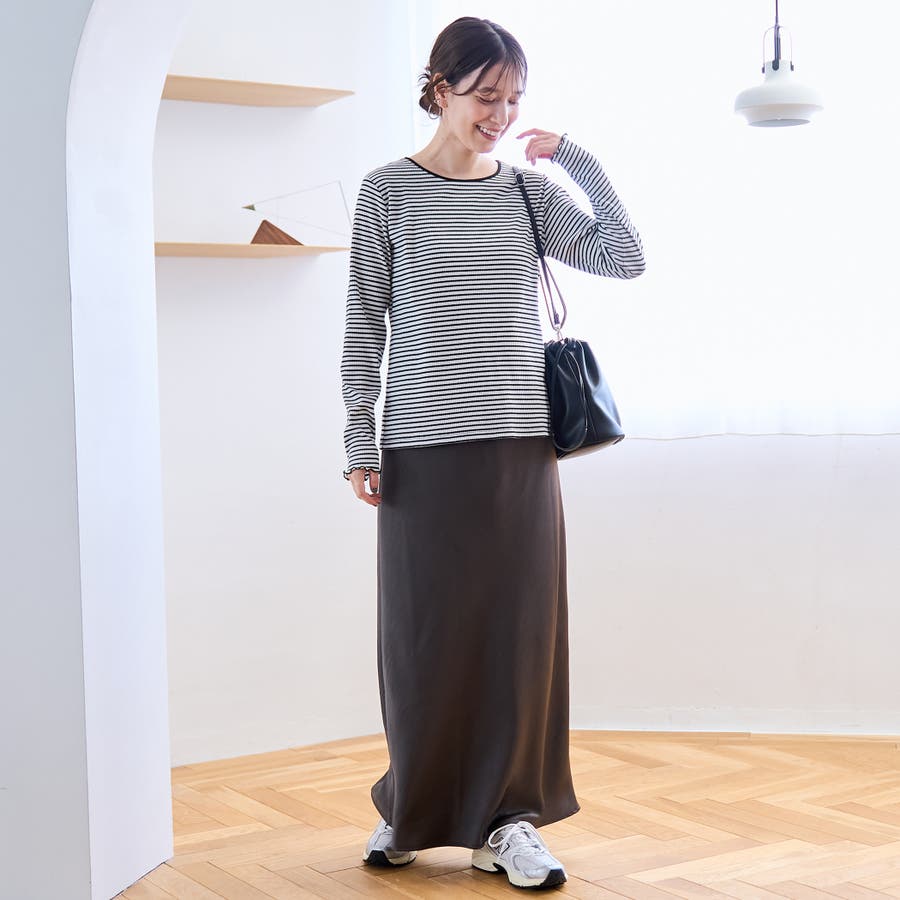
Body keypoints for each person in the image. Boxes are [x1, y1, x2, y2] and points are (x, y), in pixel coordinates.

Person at [340, 15, 645, 891]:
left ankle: (507, 822)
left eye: (513, 99)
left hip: (518, 450)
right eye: (484, 97)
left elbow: (626, 258)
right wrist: (358, 437)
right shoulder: (386, 192)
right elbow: (364, 326)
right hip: (421, 450)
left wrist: (576, 159)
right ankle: (414, 806)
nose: (500, 116)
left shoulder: (526, 194)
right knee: (424, 638)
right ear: (440, 89)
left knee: (518, 637)